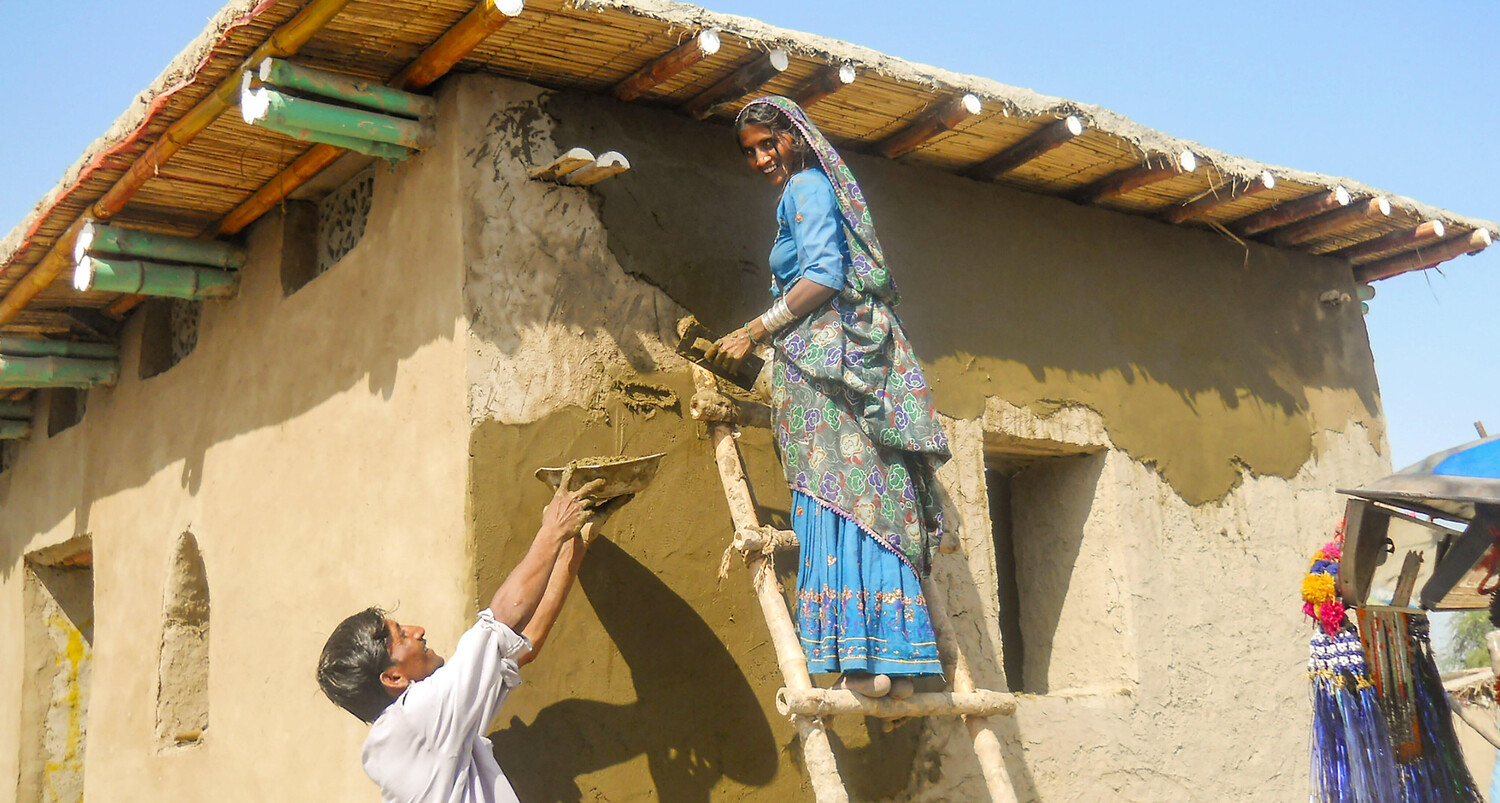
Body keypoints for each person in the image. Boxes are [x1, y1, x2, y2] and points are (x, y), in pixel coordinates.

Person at [706, 95, 952, 699]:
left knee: (832, 489)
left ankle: (859, 655)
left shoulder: (806, 188)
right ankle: (889, 655)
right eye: (751, 151)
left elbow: (823, 274)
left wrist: (753, 330)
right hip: (842, 358)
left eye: (771, 143)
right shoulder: (815, 189)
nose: (763, 157)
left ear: (796, 136)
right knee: (864, 494)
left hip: (826, 365)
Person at [316, 476, 608, 803]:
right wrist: (554, 529)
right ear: (393, 676)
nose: (418, 631)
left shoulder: (432, 730)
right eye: (402, 636)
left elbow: (524, 647)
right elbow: (502, 618)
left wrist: (575, 545)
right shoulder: (415, 719)